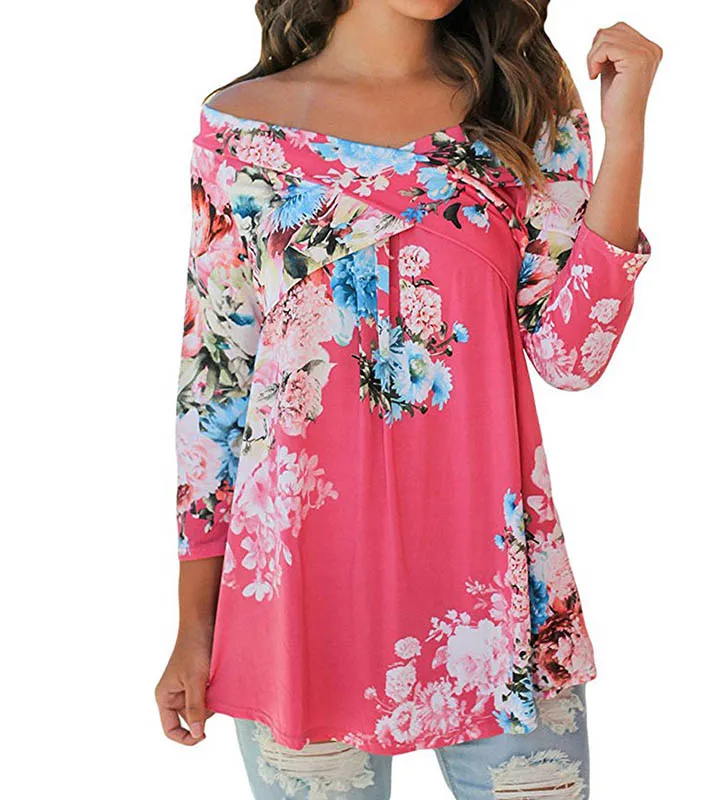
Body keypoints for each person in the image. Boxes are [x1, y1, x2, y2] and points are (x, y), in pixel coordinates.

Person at [155, 1, 661, 797]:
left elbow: (573, 354)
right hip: (300, 601)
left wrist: (625, 130)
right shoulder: (241, 135)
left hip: (500, 599)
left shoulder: (522, 112)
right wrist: (193, 627)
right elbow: (213, 389)